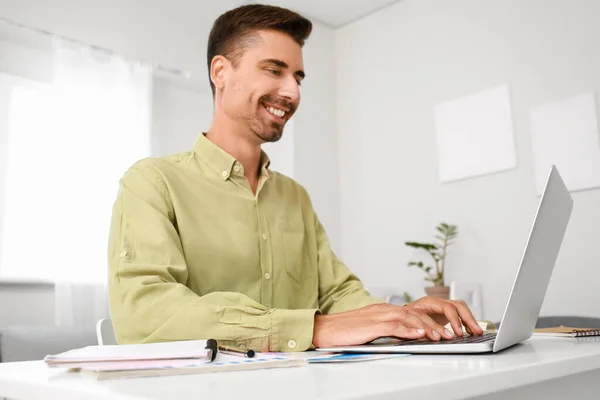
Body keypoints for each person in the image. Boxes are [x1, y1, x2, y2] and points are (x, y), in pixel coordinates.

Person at [107, 3, 483, 352]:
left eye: (298, 77)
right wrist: (312, 329)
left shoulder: (294, 196)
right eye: (274, 70)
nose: (292, 91)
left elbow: (337, 292)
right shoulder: (152, 183)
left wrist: (401, 320)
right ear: (221, 72)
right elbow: (145, 313)